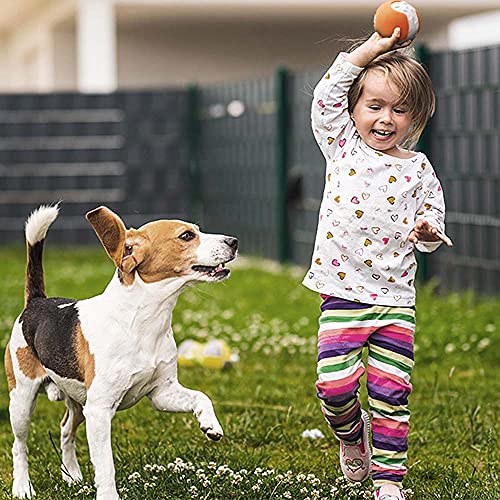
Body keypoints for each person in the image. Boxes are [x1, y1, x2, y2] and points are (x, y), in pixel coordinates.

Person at [302, 28, 453, 500]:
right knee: (333, 388)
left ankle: (389, 484)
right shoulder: (342, 146)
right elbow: (326, 93)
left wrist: (427, 232)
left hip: (394, 303)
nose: (386, 119)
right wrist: (370, 48)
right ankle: (352, 437)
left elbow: (432, 218)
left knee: (392, 395)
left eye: (399, 109)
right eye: (375, 106)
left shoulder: (419, 169)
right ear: (353, 109)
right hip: (342, 294)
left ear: (416, 117)